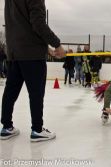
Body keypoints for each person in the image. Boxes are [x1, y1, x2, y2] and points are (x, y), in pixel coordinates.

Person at [0, 0, 65, 142]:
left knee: (10, 91)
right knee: (36, 92)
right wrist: (57, 44)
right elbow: (38, 23)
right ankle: (37, 129)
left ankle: (6, 127)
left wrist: (45, 47)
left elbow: (20, 25)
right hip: (32, 55)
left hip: (14, 52)